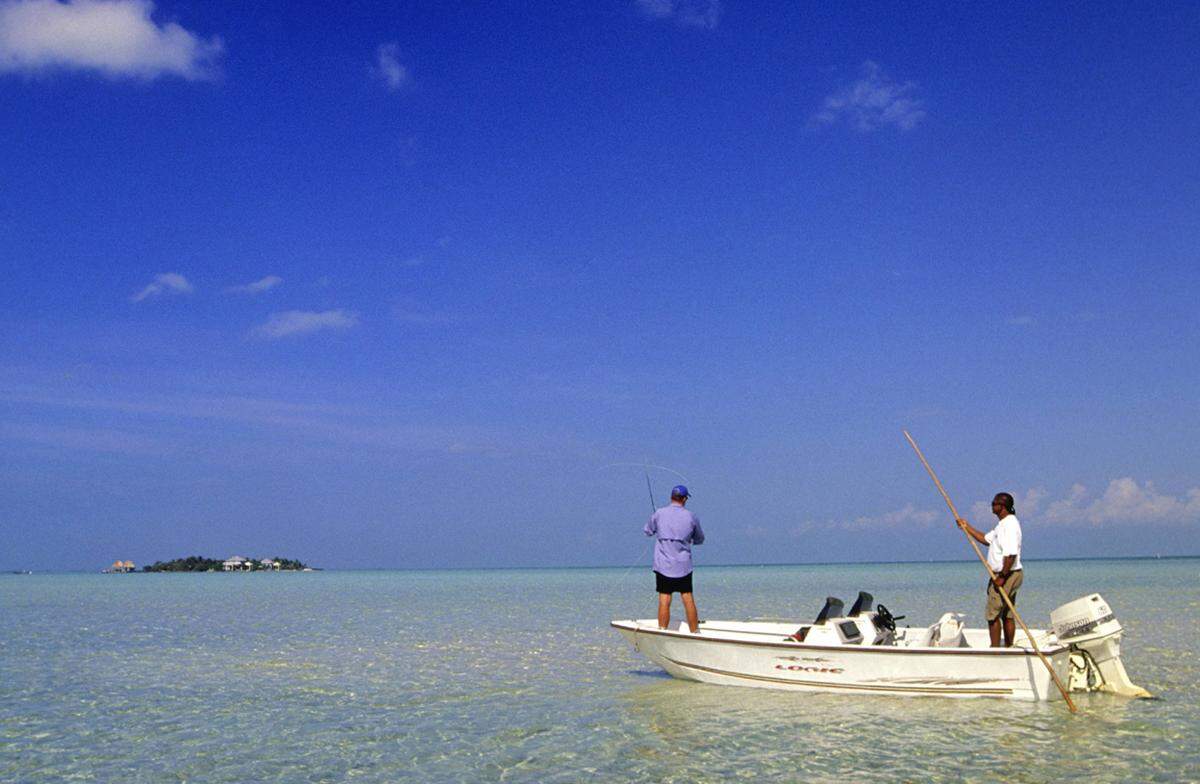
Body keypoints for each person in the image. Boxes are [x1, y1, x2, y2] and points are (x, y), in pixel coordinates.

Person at [956, 492, 1024, 647]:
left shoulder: (1010, 525)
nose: (992, 506)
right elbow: (986, 539)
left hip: (1007, 574)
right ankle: (1007, 647)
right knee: (1007, 614)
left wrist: (1002, 577)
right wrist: (966, 527)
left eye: (994, 503)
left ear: (1002, 506)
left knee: (992, 615)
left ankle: (996, 649)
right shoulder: (1002, 525)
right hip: (1008, 574)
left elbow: (1011, 554)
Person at [644, 485, 705, 632]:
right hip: (684, 566)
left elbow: (647, 531)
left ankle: (663, 630)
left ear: (671, 497)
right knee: (687, 597)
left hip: (664, 565)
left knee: (664, 598)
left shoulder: (659, 513)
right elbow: (700, 539)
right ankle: (695, 631)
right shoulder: (691, 516)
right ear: (684, 499)